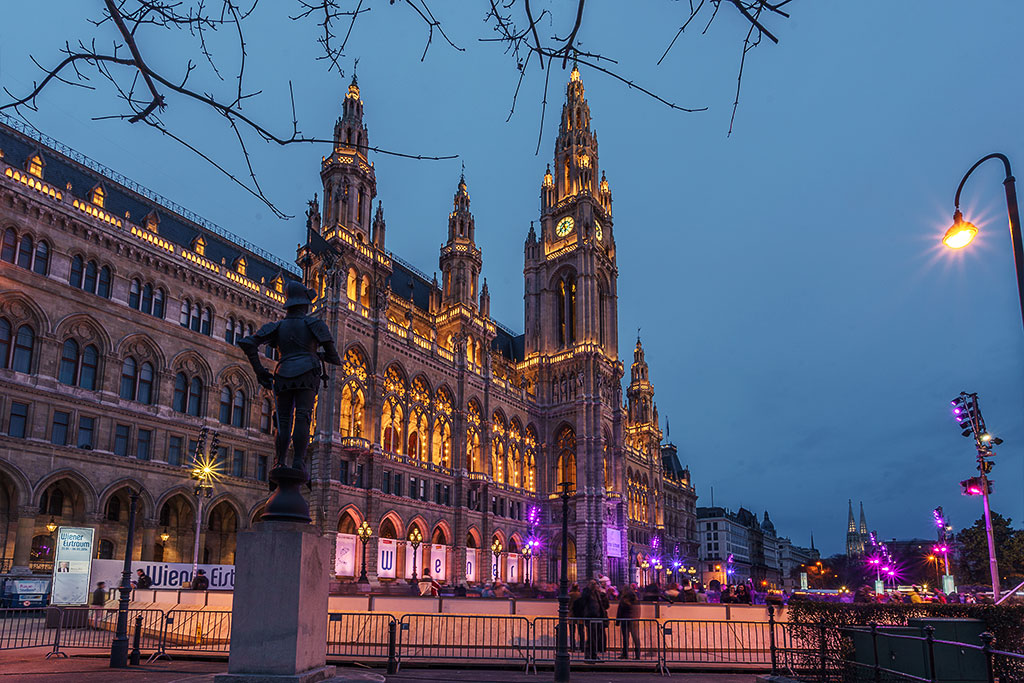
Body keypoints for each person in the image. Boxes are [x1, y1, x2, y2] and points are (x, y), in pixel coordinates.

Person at [238, 281, 343, 472]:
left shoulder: (277, 326)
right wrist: (316, 354)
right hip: (307, 374)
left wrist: (260, 371)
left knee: (283, 420)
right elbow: (334, 358)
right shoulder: (315, 324)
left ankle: (279, 462)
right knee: (303, 417)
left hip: (282, 374)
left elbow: (247, 343)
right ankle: (298, 462)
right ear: (304, 303)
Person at [616, 586, 642, 660]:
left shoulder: (623, 601)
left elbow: (619, 612)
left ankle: (625, 654)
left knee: (625, 638)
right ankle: (637, 655)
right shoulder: (637, 600)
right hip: (634, 621)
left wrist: (617, 622)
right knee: (636, 638)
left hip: (625, 620)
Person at [569, 583, 585, 652]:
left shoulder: (569, 595)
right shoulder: (581, 595)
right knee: (581, 632)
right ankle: (582, 647)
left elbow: (567, 605)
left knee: (572, 632)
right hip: (580, 615)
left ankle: (573, 647)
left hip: (571, 615)